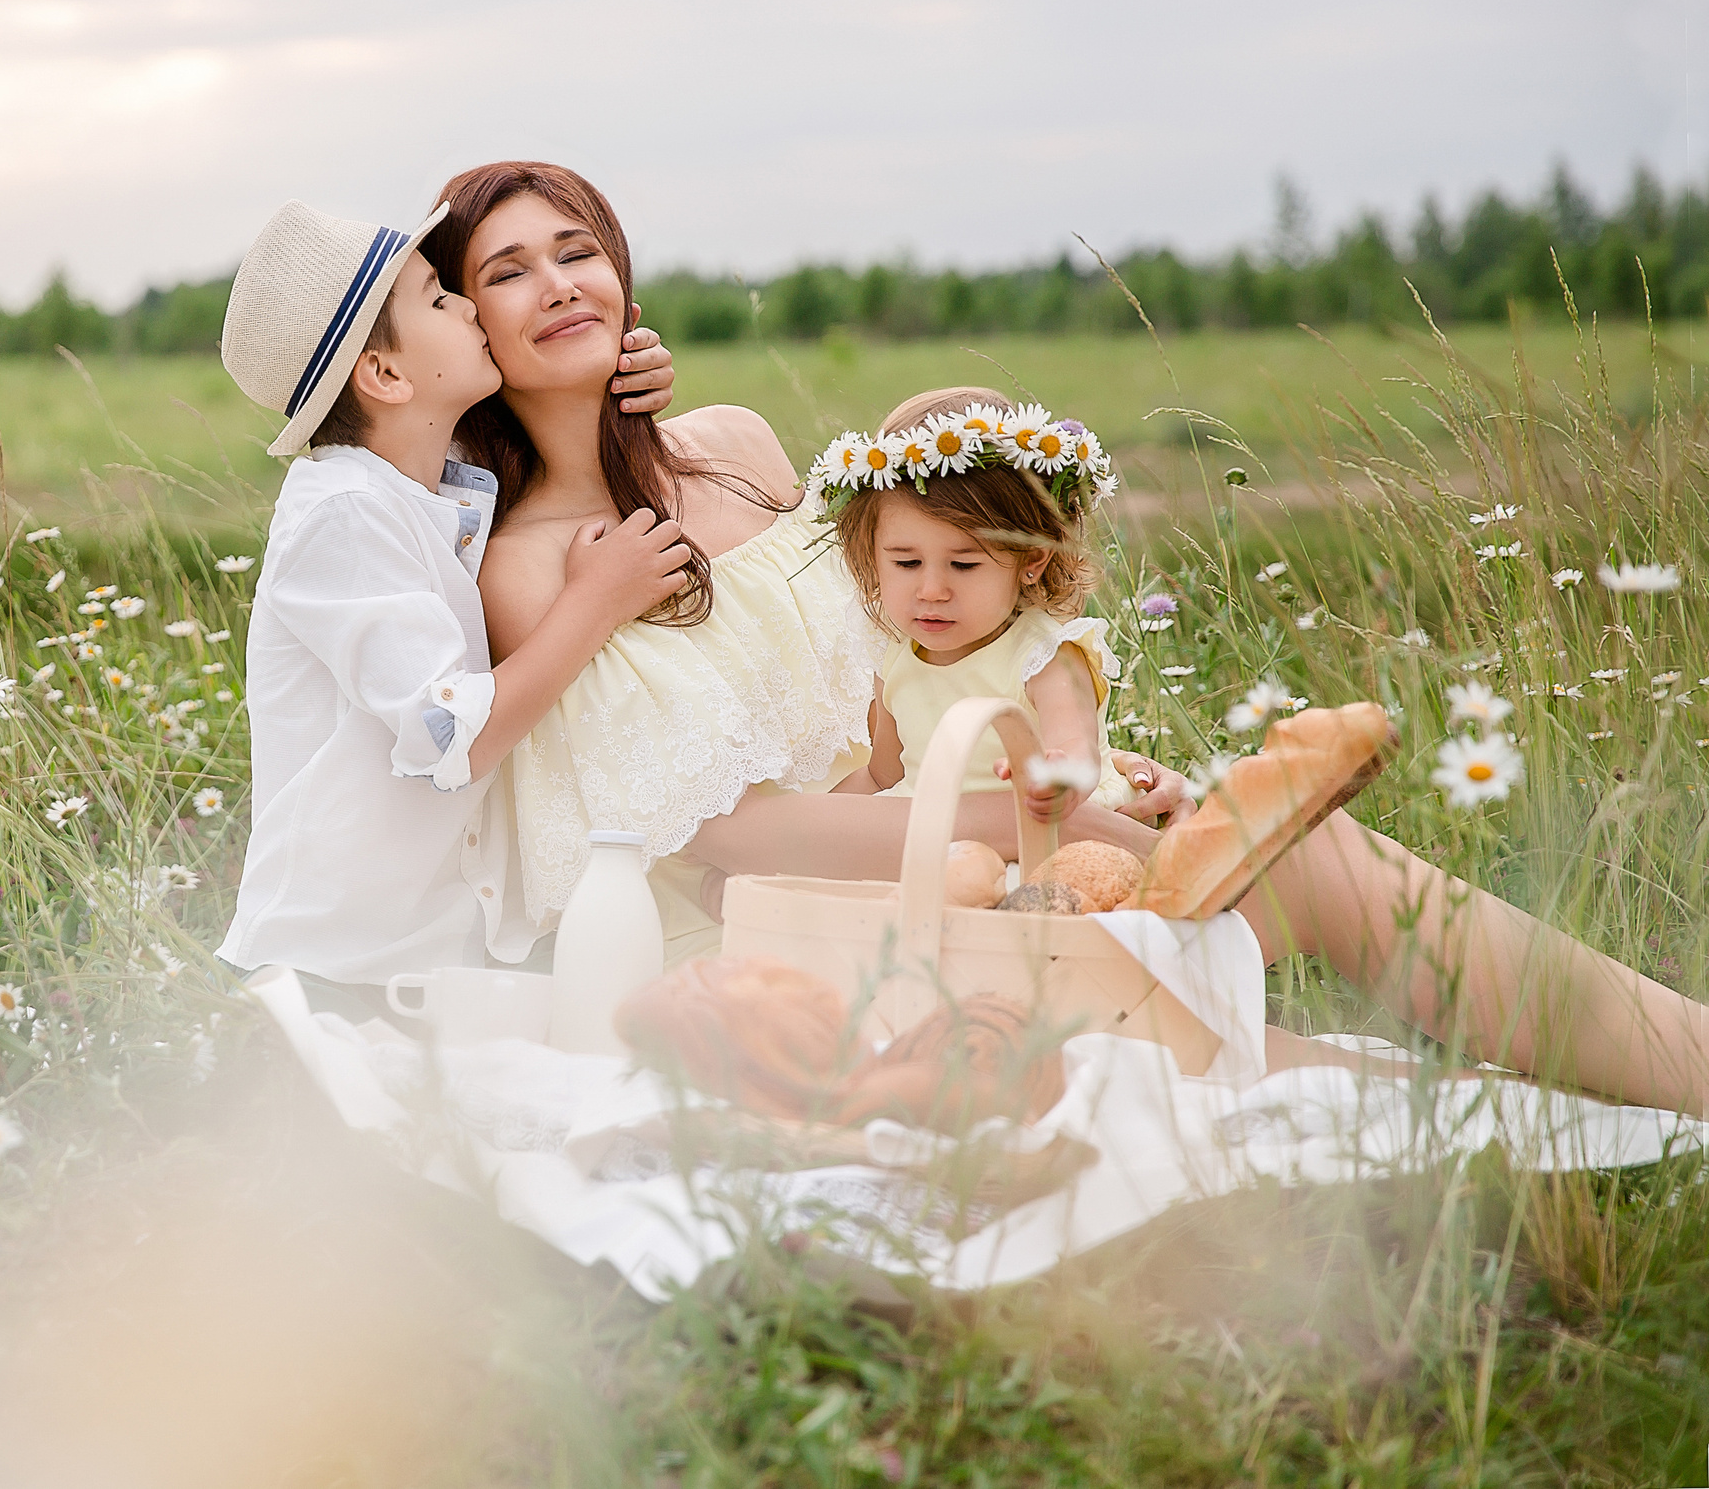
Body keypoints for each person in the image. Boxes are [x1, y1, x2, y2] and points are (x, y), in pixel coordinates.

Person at [422, 159, 1709, 1113]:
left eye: (574, 247)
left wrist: (1072, 772)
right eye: (505, 271)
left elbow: (912, 671)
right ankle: (1636, 1084)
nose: (555, 284)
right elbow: (723, 833)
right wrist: (1041, 822)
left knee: (1302, 857)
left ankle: (1682, 1060)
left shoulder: (742, 450)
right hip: (777, 931)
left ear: (620, 268)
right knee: (1261, 1060)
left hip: (951, 852)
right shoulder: (538, 565)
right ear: (468, 323)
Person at [209, 199, 689, 1018]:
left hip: (427, 969)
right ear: (387, 376)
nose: (467, 306)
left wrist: (619, 366)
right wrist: (594, 600)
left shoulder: (424, 473)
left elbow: (553, 413)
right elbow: (448, 734)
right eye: (438, 298)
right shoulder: (342, 512)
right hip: (330, 977)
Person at [824, 383, 1143, 819]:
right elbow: (884, 775)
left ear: (1031, 557)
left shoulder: (1044, 656)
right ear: (872, 554)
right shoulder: (897, 659)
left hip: (1039, 828)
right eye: (907, 562)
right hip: (939, 832)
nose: (932, 590)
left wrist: (1058, 778)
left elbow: (1075, 747)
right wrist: (804, 832)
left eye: (963, 565)